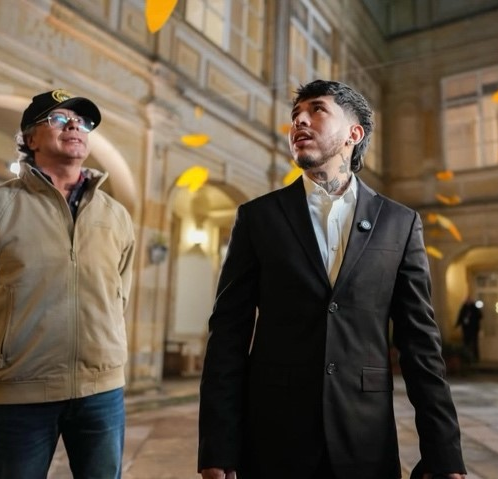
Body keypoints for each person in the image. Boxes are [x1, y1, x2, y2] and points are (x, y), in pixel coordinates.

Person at [198, 80, 466, 479]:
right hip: (274, 438)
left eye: (317, 110)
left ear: (353, 134)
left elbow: (420, 344)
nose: (299, 121)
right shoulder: (258, 218)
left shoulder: (399, 223)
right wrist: (217, 447)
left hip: (365, 438)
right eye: (295, 115)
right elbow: (227, 336)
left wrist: (444, 454)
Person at [0, 89, 135, 479]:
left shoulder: (116, 215)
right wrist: (4, 351)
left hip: (101, 389)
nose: (74, 126)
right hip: (22, 388)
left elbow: (120, 293)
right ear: (30, 139)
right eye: (58, 119)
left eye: (81, 122)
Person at [456, 297, 483, 362]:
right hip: (466, 329)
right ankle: (466, 358)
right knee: (466, 343)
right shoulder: (464, 308)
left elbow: (480, 316)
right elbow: (460, 316)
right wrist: (457, 324)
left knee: (474, 344)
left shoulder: (474, 308)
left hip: (474, 329)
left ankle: (475, 358)